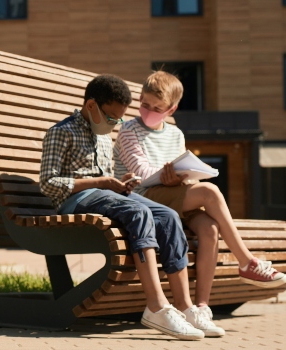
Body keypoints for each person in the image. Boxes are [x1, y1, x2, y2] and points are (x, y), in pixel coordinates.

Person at [113, 70, 286, 336]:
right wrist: (171, 178)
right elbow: (143, 176)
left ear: (171, 109)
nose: (148, 110)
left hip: (173, 197)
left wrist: (182, 177)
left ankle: (200, 307)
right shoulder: (128, 130)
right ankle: (247, 263)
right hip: (144, 198)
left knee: (210, 229)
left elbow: (177, 171)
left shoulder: (175, 134)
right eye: (144, 104)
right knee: (210, 192)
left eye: (157, 108)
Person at [40, 74, 205, 340]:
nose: (115, 124)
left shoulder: (104, 137)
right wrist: (101, 181)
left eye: (119, 119)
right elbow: (48, 183)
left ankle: (184, 306)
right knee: (138, 212)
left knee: (168, 216)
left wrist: (121, 184)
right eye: (111, 117)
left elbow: (107, 182)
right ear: (91, 105)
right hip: (75, 202)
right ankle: (156, 306)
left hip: (104, 197)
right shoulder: (61, 132)